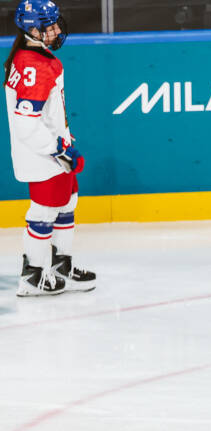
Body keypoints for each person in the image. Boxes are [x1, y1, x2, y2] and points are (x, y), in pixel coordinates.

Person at [5, 0, 94, 297]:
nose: (57, 30)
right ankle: (32, 275)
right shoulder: (34, 66)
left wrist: (63, 141)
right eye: (50, 26)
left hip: (53, 151)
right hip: (44, 156)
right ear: (32, 30)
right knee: (44, 211)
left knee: (67, 204)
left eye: (56, 23)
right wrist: (59, 149)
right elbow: (27, 125)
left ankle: (60, 265)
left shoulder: (34, 57)